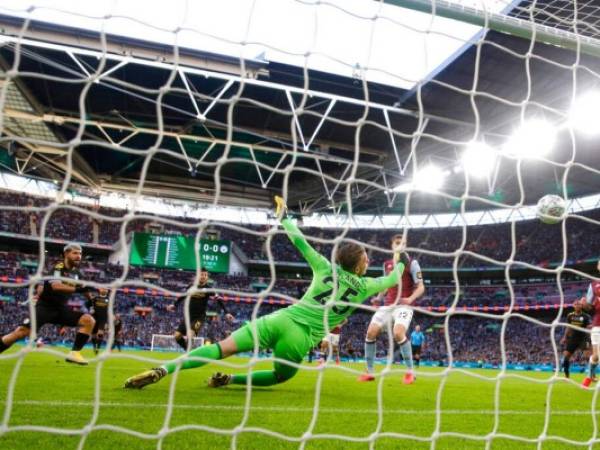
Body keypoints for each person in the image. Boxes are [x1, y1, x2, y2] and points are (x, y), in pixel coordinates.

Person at [124, 196, 406, 389]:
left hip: (279, 319)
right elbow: (394, 276)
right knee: (278, 376)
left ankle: (165, 369)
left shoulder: (324, 267)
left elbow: (299, 241)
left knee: (222, 347)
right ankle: (232, 380)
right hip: (299, 339)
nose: (368, 261)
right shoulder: (368, 285)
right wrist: (400, 255)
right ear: (357, 264)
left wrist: (283, 216)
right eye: (366, 259)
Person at [0, 243, 99, 365]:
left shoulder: (77, 273)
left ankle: (74, 353)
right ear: (66, 254)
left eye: (80, 253)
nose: (78, 256)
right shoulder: (58, 268)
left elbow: (84, 288)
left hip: (61, 309)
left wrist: (92, 300)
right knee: (22, 332)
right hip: (45, 307)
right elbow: (56, 286)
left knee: (89, 321)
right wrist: (79, 290)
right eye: (75, 253)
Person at [359, 234, 425, 384]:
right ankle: (369, 372)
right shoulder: (387, 264)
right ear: (392, 245)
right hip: (387, 305)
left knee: (398, 332)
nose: (400, 245)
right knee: (371, 332)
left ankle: (410, 372)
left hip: (404, 305)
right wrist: (378, 297)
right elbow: (386, 284)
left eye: (403, 243)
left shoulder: (413, 263)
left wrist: (410, 299)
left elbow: (421, 287)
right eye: (397, 242)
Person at [167, 269, 233, 351]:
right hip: (188, 317)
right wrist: (174, 304)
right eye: (202, 275)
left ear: (207, 277)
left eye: (205, 275)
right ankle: (188, 350)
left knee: (190, 334)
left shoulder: (209, 289)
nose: (203, 277)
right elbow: (182, 296)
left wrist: (226, 312)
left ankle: (188, 354)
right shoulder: (191, 286)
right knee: (177, 336)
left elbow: (218, 299)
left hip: (199, 317)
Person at [582, 260, 600, 387]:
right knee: (596, 356)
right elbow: (589, 308)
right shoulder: (593, 285)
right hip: (598, 323)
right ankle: (589, 376)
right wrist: (585, 304)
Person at [88, 290, 109, 355]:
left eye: (106, 289)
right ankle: (94, 346)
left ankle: (98, 347)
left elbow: (110, 309)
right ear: (100, 291)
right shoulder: (95, 298)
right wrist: (91, 309)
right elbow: (89, 304)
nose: (105, 290)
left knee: (100, 334)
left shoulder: (109, 299)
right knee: (93, 335)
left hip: (103, 319)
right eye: (103, 289)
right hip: (94, 318)